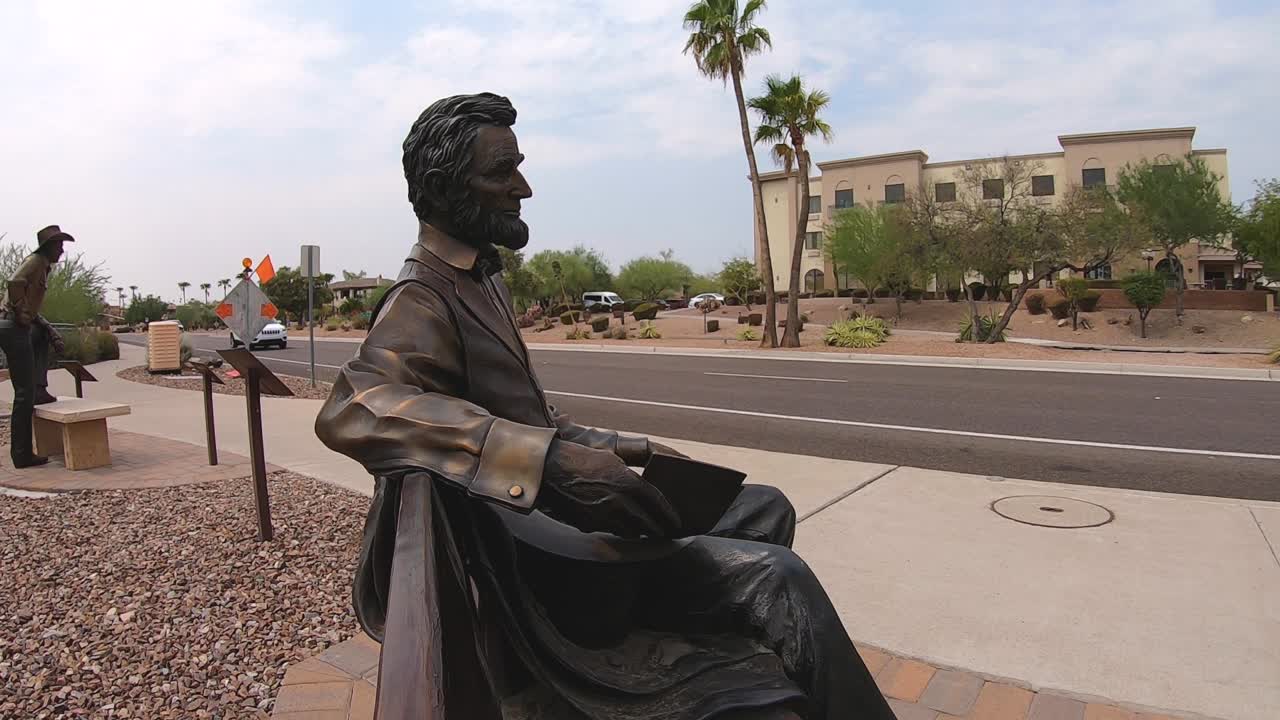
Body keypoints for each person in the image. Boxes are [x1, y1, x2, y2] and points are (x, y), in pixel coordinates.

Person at [315, 93, 894, 720]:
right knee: (780, 580)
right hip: (545, 562)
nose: (523, 188)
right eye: (500, 172)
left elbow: (538, 422)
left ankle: (709, 640)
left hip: (552, 524)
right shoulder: (421, 299)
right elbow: (355, 406)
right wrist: (554, 464)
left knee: (762, 505)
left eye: (518, 166)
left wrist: (634, 450)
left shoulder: (481, 278)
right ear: (445, 186)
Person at [0, 225, 71, 467]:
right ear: (48, 246)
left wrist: (49, 330)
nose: (62, 251)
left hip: (13, 326)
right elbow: (14, 281)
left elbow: (33, 311)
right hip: (11, 327)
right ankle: (21, 455)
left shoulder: (42, 266)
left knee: (26, 391)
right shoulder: (36, 261)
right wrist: (20, 311)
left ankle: (22, 452)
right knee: (24, 394)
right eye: (59, 246)